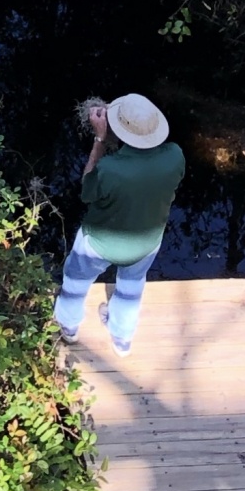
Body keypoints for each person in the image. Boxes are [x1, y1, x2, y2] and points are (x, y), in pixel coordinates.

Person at [53, 91, 184, 355]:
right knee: (131, 289)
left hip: (100, 241)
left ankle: (69, 327)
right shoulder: (175, 155)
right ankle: (122, 340)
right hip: (146, 242)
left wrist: (100, 139)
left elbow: (87, 192)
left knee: (76, 280)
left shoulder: (111, 168)